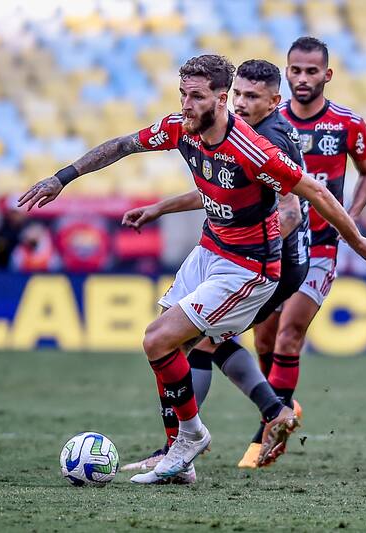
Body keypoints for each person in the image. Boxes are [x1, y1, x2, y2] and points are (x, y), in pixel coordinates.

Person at [17, 54, 366, 486]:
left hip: (249, 267)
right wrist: (61, 178)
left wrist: (357, 241)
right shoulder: (182, 128)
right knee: (173, 346)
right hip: (210, 250)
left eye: (195, 96)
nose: (186, 104)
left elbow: (313, 193)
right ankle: (184, 453)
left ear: (220, 99)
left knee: (161, 340)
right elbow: (123, 146)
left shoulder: (254, 147)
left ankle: (196, 436)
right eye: (182, 94)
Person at [117, 59, 311, 475]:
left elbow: (291, 211)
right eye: (238, 94)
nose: (241, 103)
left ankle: (184, 445)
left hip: (269, 260)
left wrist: (247, 253)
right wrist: (161, 207)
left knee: (194, 340)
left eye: (252, 97)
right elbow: (219, 188)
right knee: (201, 338)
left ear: (274, 102)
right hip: (247, 255)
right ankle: (272, 410)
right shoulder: (235, 130)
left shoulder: (266, 138)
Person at [233, 37, 366, 463]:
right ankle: (281, 407)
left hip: (321, 245)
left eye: (311, 71)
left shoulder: (348, 124)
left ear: (326, 75)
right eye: (295, 70)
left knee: (290, 333)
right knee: (264, 339)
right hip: (277, 243)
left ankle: (266, 437)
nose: (302, 78)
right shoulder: (266, 120)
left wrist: (348, 219)